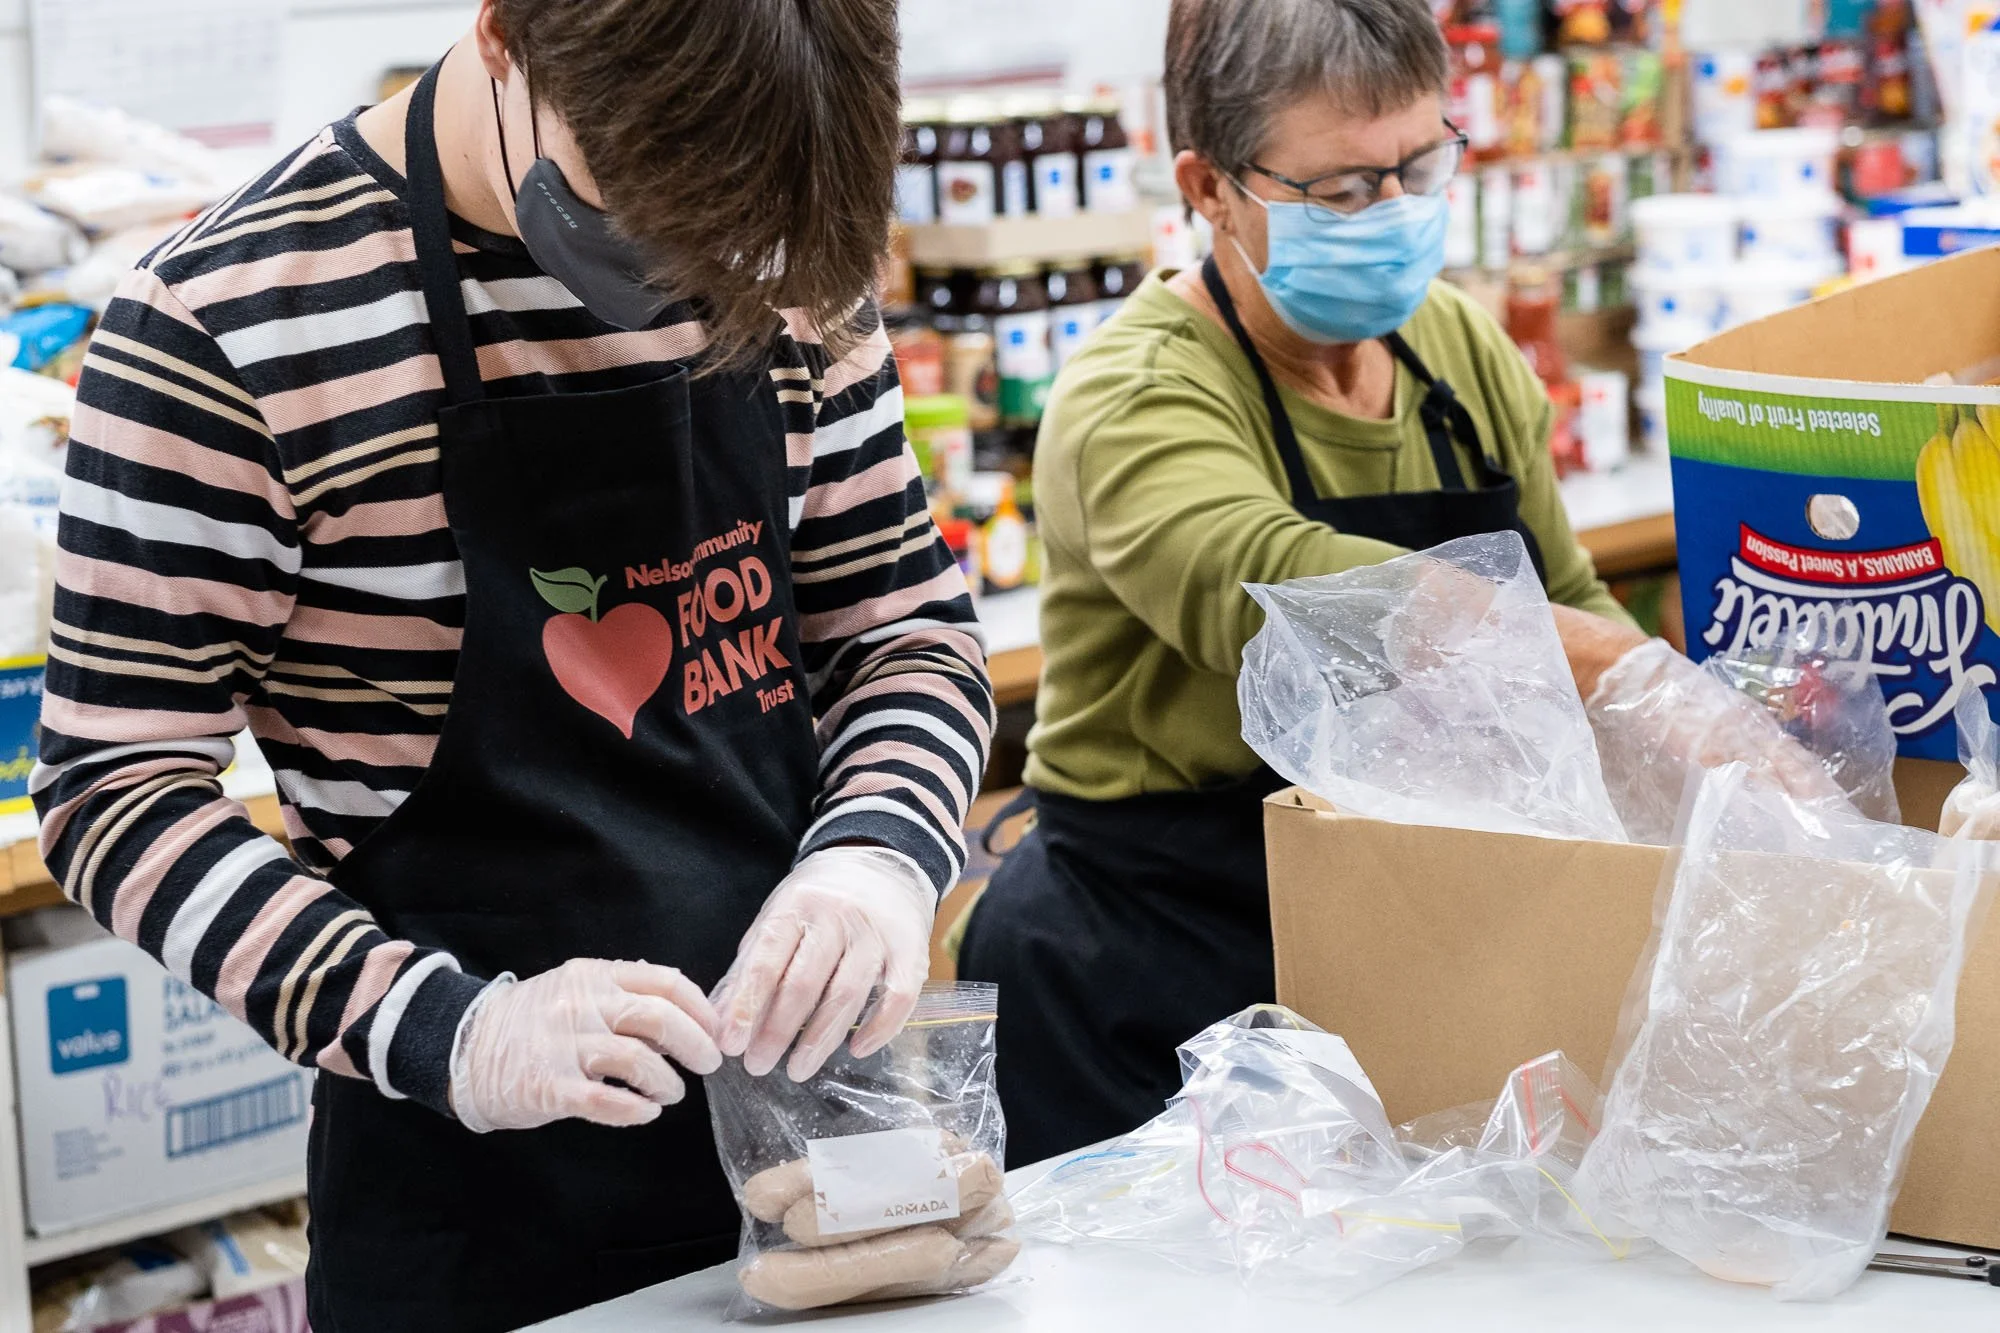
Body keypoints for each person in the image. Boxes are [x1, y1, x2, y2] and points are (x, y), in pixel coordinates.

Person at [31, 3, 993, 1329]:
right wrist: (452, 1032)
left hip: (826, 1137)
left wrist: (879, 856)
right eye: (654, 219)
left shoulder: (786, 242)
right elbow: (114, 783)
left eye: (737, 248)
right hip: (476, 1201)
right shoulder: (229, 327)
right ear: (505, 37)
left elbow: (901, 629)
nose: (700, 285)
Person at [957, 0, 1833, 1167]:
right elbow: (1277, 588)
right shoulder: (1133, 395)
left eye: (1419, 163)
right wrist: (1625, 667)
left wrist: (1725, 778)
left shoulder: (1457, 356)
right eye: (1340, 190)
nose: (1393, 212)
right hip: (1147, 960)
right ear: (1209, 186)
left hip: (1394, 928)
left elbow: (1563, 590)